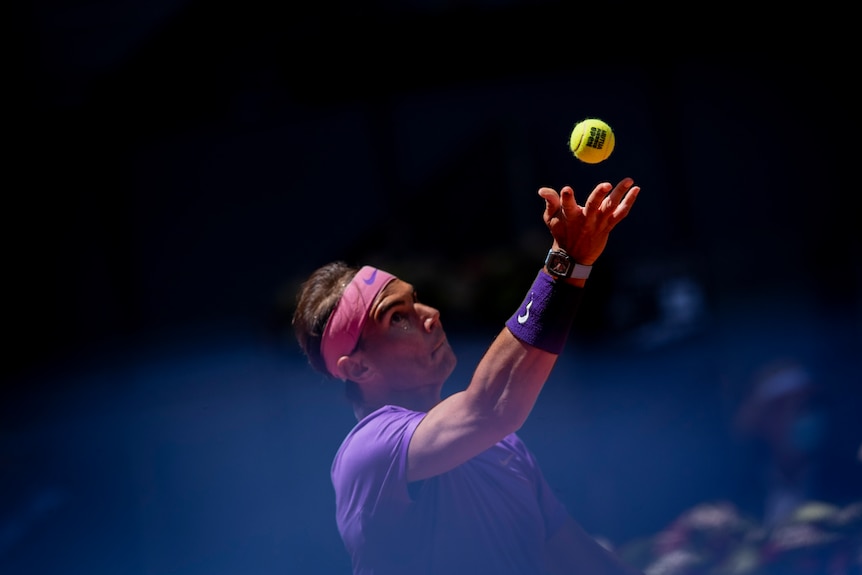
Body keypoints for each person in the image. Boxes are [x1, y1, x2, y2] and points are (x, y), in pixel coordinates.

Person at [292, 177, 643, 575]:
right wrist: (565, 264)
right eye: (397, 317)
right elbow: (490, 406)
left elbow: (580, 559)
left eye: (415, 300)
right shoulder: (368, 455)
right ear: (358, 368)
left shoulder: (503, 445)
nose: (430, 314)